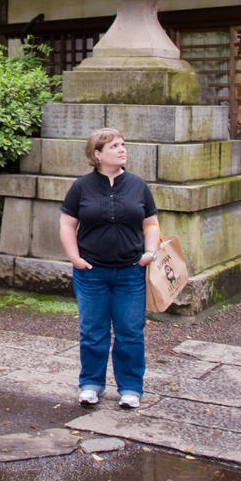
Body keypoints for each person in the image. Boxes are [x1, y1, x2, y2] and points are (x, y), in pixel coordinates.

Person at [59, 127, 160, 410]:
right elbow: (67, 224)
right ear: (97, 154)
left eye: (122, 144)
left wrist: (149, 252)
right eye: (114, 146)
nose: (121, 149)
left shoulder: (139, 186)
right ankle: (90, 383)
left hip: (130, 271)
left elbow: (150, 222)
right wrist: (74, 257)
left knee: (130, 331)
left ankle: (130, 387)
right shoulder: (81, 187)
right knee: (93, 331)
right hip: (91, 272)